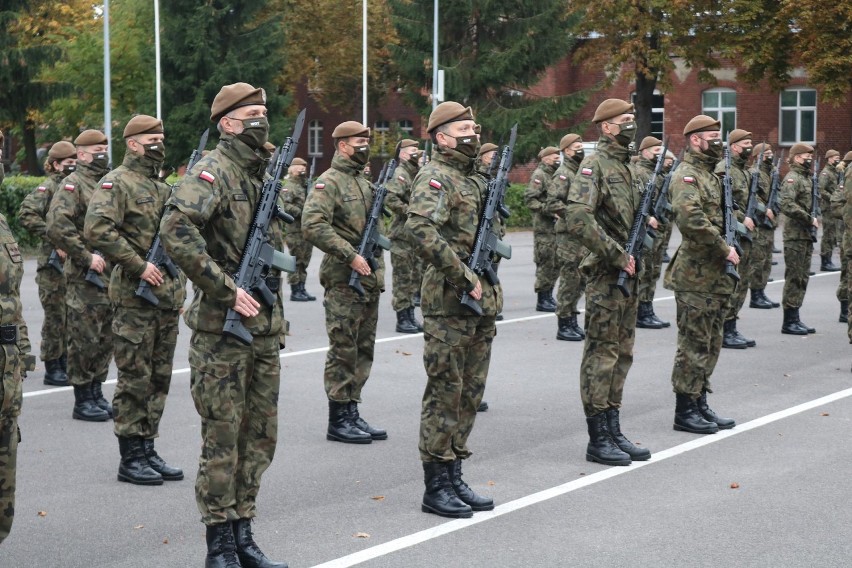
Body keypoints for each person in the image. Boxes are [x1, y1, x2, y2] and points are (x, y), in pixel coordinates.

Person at [159, 82, 288, 568]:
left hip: (264, 330)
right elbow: (175, 227)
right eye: (252, 113)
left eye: (264, 112)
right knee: (223, 438)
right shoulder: (212, 171)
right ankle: (219, 544)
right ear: (227, 123)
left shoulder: (261, 174)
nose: (262, 120)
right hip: (221, 331)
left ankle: (244, 531)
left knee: (259, 436)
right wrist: (224, 287)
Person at [84, 115, 186, 486]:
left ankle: (147, 447)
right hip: (134, 298)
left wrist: (179, 291)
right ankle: (130, 456)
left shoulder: (160, 187)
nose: (159, 142)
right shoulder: (117, 182)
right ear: (132, 143)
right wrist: (137, 265)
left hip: (165, 299)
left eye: (162, 136)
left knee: (159, 378)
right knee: (134, 378)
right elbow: (96, 228)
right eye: (152, 137)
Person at [406, 100, 498, 518]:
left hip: (480, 300)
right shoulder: (436, 176)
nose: (472, 133)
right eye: (463, 128)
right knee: (445, 393)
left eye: (474, 127)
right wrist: (462, 274)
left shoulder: (474, 178)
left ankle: (455, 472)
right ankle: (435, 485)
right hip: (449, 300)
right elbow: (418, 229)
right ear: (441, 137)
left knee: (469, 393)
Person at [564, 99, 650, 466]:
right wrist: (616, 254)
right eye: (625, 120)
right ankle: (597, 437)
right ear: (607, 127)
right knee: (601, 355)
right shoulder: (593, 164)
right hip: (606, 272)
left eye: (633, 119)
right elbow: (577, 217)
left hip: (629, 273)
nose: (632, 125)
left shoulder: (628, 165)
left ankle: (613, 427)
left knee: (622, 353)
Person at [302, 121, 387, 445]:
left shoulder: (363, 181)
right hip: (343, 279)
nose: (365, 145)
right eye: (358, 141)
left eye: (367, 140)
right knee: (343, 348)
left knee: (363, 349)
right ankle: (338, 419)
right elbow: (312, 224)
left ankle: (352, 410)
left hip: (368, 278)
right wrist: (349, 255)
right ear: (342, 146)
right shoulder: (330, 182)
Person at [664, 115, 738, 435]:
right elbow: (691, 220)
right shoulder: (687, 175)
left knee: (711, 342)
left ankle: (699, 401)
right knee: (693, 343)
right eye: (713, 136)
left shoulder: (713, 175)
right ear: (696, 139)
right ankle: (684, 410)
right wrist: (724, 249)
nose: (718, 142)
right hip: (694, 274)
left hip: (715, 275)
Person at [46, 129, 114, 422]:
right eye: (97, 149)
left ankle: (97, 392)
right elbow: (56, 226)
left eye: (105, 148)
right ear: (82, 154)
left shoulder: (106, 183)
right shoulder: (73, 185)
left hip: (111, 277)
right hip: (85, 277)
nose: (103, 154)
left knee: (104, 338)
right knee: (84, 337)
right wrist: (85, 257)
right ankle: (82, 398)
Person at [17, 140, 77, 387]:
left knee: (69, 315)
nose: (72, 167)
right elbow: (26, 214)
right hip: (52, 266)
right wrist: (55, 239)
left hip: (71, 264)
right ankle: (53, 366)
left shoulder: (73, 186)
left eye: (75, 163)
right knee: (55, 316)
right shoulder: (49, 187)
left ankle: (64, 362)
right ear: (54, 165)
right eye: (67, 164)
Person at [0, 211, 35, 544]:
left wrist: (22, 352)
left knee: (5, 463)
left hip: (6, 365)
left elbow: (12, 297)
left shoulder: (0, 221)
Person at [715, 128, 756, 349]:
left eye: (751, 143)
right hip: (732, 234)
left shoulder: (746, 172)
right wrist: (742, 218)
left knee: (742, 282)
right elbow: (724, 203)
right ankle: (725, 329)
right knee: (731, 282)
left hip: (745, 236)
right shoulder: (725, 169)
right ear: (733, 147)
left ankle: (732, 325)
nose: (749, 147)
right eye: (745, 143)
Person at [546, 132, 587, 341]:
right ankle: (563, 324)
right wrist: (574, 215)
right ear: (566, 150)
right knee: (569, 279)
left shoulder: (579, 172)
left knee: (580, 280)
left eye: (581, 145)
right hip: (568, 235)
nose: (580, 148)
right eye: (576, 146)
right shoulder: (563, 174)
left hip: (581, 234)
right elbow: (552, 202)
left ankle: (572, 319)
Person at [780, 143, 820, 335]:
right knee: (794, 277)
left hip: (805, 236)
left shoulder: (807, 179)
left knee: (802, 277)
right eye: (806, 156)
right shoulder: (792, 178)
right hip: (795, 236)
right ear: (796, 158)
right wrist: (808, 218)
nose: (809, 159)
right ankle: (789, 321)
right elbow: (786, 204)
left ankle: (795, 316)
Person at [630, 135, 669, 330]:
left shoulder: (660, 174)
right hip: (645, 231)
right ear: (645, 152)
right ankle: (640, 312)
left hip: (659, 232)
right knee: (644, 272)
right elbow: (634, 203)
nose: (659, 155)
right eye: (656, 151)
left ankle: (648, 308)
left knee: (653, 272)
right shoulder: (639, 173)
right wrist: (647, 218)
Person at [386, 139, 424, 334]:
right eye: (412, 150)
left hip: (414, 236)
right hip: (401, 235)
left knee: (413, 277)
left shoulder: (415, 174)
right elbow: (390, 197)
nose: (417, 153)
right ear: (402, 154)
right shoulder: (401, 174)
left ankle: (410, 315)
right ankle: (402, 318)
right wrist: (410, 211)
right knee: (403, 278)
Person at [524, 146, 561, 312]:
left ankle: (549, 295)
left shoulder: (556, 174)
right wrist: (550, 211)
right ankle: (542, 299)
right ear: (545, 158)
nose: (557, 157)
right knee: (545, 263)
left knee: (555, 263)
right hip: (544, 228)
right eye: (554, 155)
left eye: (558, 155)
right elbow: (530, 200)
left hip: (556, 229)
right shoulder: (540, 175)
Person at [748, 143, 781, 310]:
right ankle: (755, 295)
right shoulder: (754, 173)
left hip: (770, 223)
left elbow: (777, 194)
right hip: (760, 223)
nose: (769, 155)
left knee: (767, 260)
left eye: (770, 152)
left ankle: (761, 291)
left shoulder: (772, 172)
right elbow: (752, 196)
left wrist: (776, 207)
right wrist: (764, 209)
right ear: (756, 155)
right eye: (765, 153)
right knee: (758, 261)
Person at [279, 157, 317, 302]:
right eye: (299, 166)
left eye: (304, 167)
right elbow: (286, 206)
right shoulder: (289, 186)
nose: (302, 169)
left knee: (305, 261)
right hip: (295, 230)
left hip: (306, 229)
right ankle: (295, 289)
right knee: (296, 260)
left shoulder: (305, 186)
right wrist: (302, 211)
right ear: (291, 169)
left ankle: (302, 287)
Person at [832, 151, 852, 324]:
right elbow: (836, 205)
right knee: (847, 274)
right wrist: (848, 214)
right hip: (847, 234)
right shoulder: (843, 184)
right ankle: (844, 310)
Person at [819, 150, 842, 271]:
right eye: (835, 157)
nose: (837, 159)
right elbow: (821, 190)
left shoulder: (836, 172)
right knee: (828, 234)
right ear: (829, 159)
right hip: (828, 208)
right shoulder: (826, 173)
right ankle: (825, 261)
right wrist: (833, 198)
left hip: (835, 208)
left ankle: (829, 259)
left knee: (833, 235)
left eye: (838, 157)